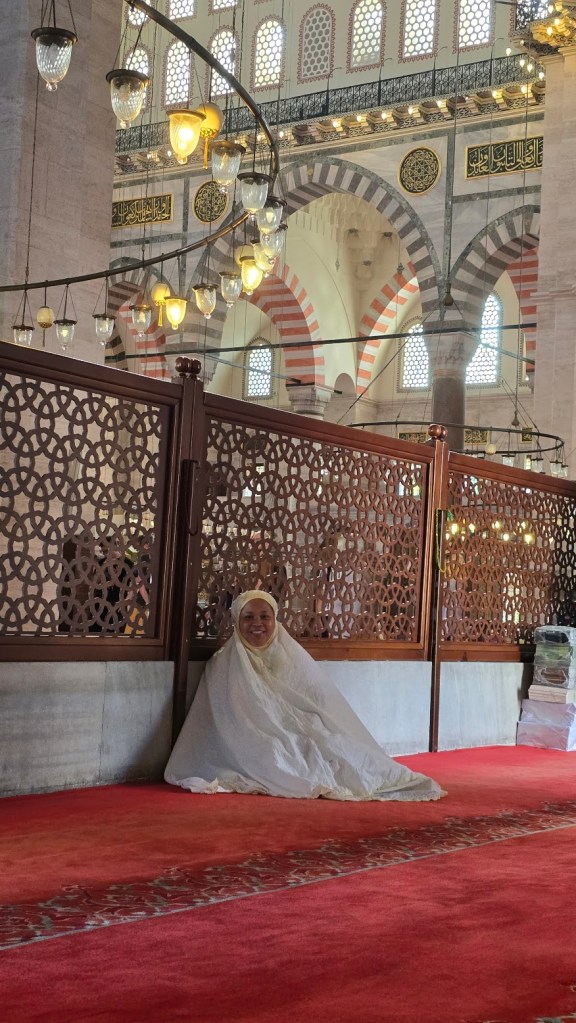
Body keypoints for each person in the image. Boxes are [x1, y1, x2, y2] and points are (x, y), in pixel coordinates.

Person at [165, 590, 445, 801]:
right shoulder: (224, 663)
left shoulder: (290, 655)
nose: (257, 623)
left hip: (305, 731)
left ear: (275, 620)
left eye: (265, 617)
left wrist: (305, 727)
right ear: (237, 622)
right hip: (255, 740)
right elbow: (230, 718)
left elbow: (314, 698)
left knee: (339, 748)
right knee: (277, 754)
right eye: (248, 617)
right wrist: (279, 732)